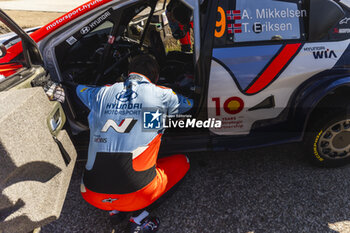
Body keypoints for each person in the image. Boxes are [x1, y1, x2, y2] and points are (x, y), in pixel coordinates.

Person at [75, 54, 193, 232]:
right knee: (184, 162)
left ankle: (115, 211)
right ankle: (139, 218)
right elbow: (190, 104)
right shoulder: (162, 94)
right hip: (137, 193)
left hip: (91, 194)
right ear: (156, 77)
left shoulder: (102, 92)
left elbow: (78, 90)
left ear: (128, 73)